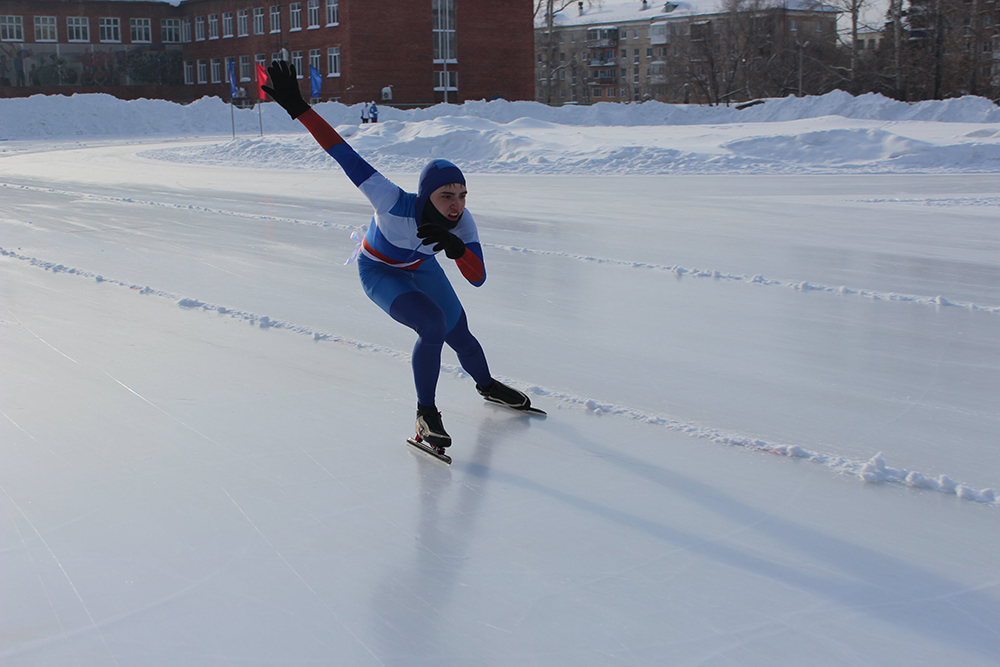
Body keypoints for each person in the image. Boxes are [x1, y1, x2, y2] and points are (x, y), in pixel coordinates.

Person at [263, 61, 535, 451]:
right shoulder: (389, 199)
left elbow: (477, 278)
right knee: (433, 325)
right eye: (446, 196)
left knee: (460, 331)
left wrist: (457, 250)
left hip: (420, 267)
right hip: (379, 270)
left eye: (462, 195)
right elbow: (342, 152)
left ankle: (487, 385)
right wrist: (300, 109)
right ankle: (426, 414)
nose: (456, 204)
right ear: (427, 196)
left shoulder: (462, 224)